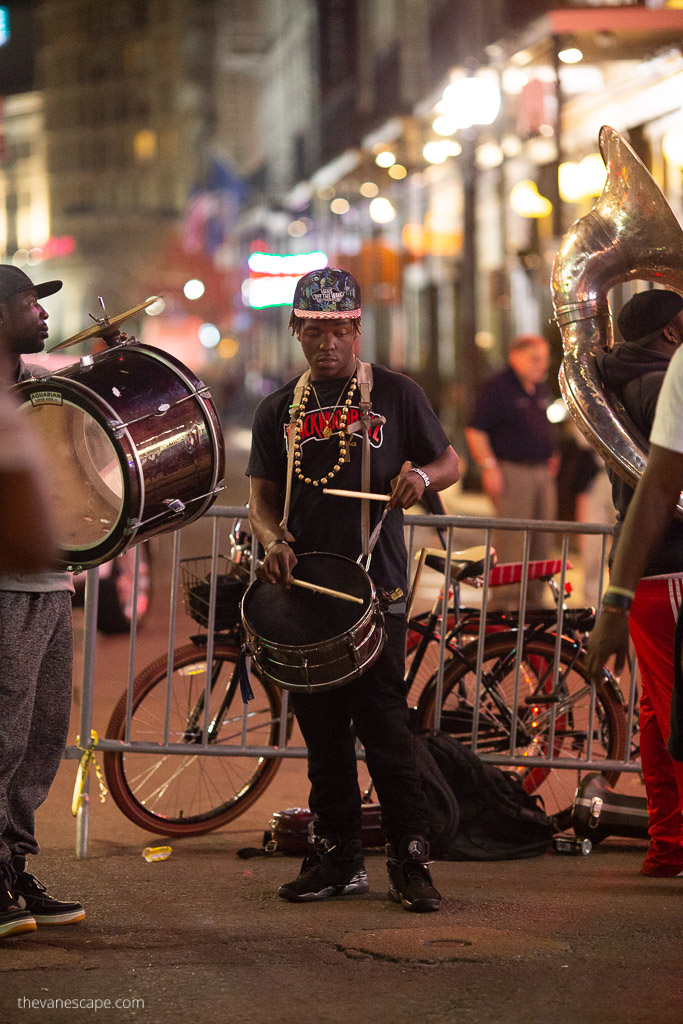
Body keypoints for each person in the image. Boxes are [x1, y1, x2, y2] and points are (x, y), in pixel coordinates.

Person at [246, 268, 460, 912]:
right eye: (314, 330)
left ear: (358, 328)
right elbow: (259, 495)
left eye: (339, 329)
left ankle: (410, 858)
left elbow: (452, 462)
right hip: (306, 590)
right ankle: (338, 857)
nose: (327, 343)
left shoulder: (395, 394)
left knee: (386, 729)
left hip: (376, 590)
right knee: (323, 735)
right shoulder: (279, 408)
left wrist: (422, 477)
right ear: (296, 330)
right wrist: (272, 541)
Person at [586, 289, 683, 878]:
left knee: (656, 712)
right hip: (671, 563)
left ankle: (668, 846)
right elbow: (661, 491)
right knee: (674, 716)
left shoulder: (617, 383)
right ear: (671, 332)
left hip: (644, 570)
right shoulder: (659, 386)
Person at [0, 265, 85, 938]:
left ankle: (12, 866)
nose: (43, 314)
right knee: (0, 735)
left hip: (51, 586)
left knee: (40, 737)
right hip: (4, 587)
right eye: (30, 304)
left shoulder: (39, 394)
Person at [465, 334, 559, 607]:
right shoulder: (499, 387)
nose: (542, 365)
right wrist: (489, 467)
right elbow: (476, 430)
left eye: (544, 360)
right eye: (535, 359)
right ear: (515, 357)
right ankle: (503, 609)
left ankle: (533, 607)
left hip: (541, 473)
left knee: (543, 541)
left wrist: (553, 453)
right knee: (513, 543)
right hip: (513, 472)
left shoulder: (539, 388)